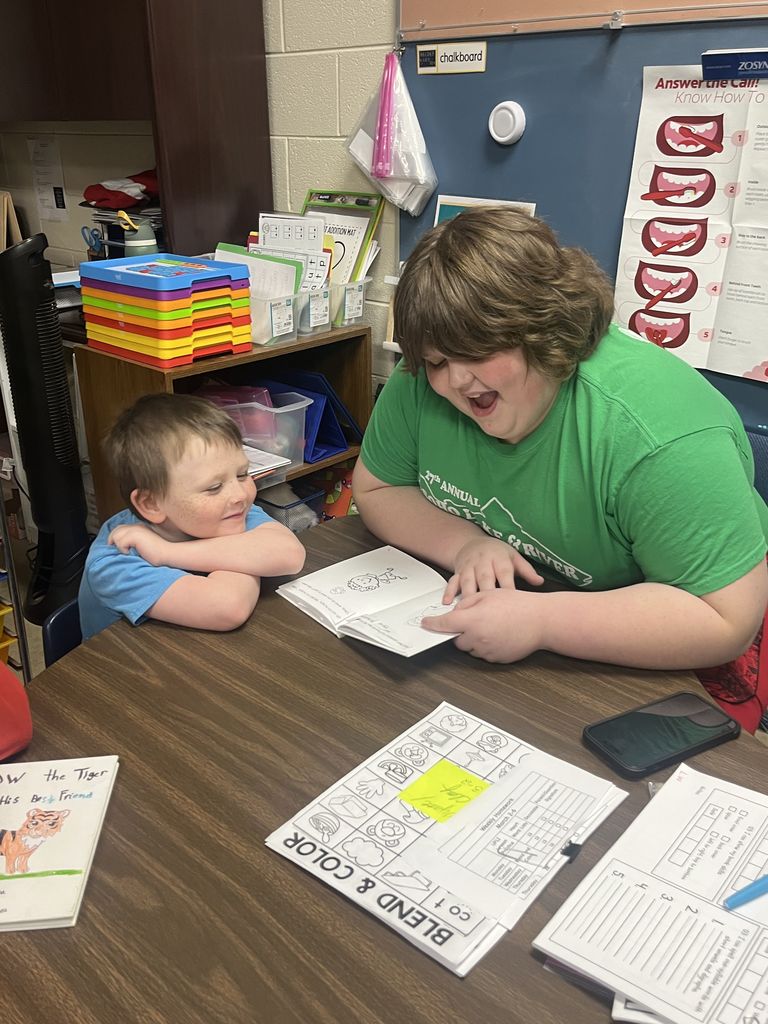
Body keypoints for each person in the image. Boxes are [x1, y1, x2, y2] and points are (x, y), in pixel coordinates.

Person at [353, 207, 768, 728]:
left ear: (545, 330)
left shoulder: (659, 434)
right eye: (437, 361)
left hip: (669, 642)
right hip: (517, 631)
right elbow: (377, 489)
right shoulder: (421, 385)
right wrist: (465, 545)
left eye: (476, 351)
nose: (455, 381)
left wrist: (542, 621)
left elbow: (724, 618)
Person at [79, 393, 306, 641]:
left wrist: (166, 552)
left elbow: (290, 555)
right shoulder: (115, 560)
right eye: (214, 487)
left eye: (242, 474)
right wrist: (250, 556)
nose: (240, 494)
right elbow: (228, 607)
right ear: (151, 504)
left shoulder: (228, 512)